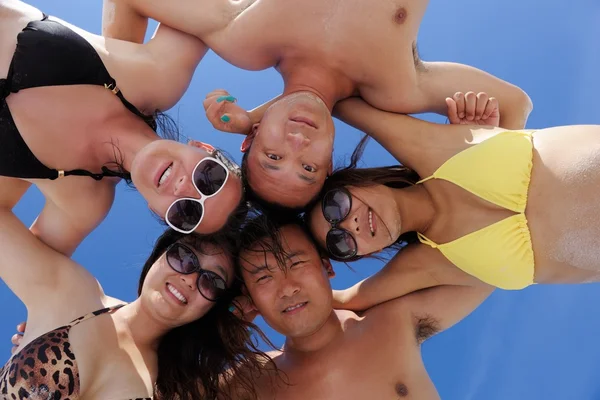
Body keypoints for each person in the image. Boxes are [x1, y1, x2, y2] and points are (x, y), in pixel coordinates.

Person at [105, 0, 533, 210]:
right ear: (328, 162)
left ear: (249, 141)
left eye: (273, 157)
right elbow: (516, 105)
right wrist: (480, 137)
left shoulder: (247, 40)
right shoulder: (393, 88)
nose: (297, 142)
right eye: (308, 167)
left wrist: (118, 108)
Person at [1, 0, 248, 258]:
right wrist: (258, 118)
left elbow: (37, 271)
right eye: (210, 178)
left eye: (186, 212)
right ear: (202, 147)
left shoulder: (83, 204)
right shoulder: (159, 77)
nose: (185, 188)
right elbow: (235, 17)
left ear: (156, 211)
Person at [305, 92, 600, 297]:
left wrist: (260, 119)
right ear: (365, 254)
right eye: (340, 243)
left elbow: (329, 96)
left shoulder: (427, 148)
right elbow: (338, 303)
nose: (349, 225)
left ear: (355, 181)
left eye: (336, 205)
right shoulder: (430, 264)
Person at [0, 205, 273, 399]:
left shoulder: (175, 389)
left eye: (211, 281)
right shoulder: (74, 293)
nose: (190, 278)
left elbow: (295, 371)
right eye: (185, 257)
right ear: (160, 254)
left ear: (213, 305)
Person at [225, 214, 492, 399]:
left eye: (297, 264)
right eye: (263, 278)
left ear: (326, 267)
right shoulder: (250, 379)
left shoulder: (392, 321)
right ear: (250, 299)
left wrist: (351, 297)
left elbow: (490, 270)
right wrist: (221, 333)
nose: (287, 288)